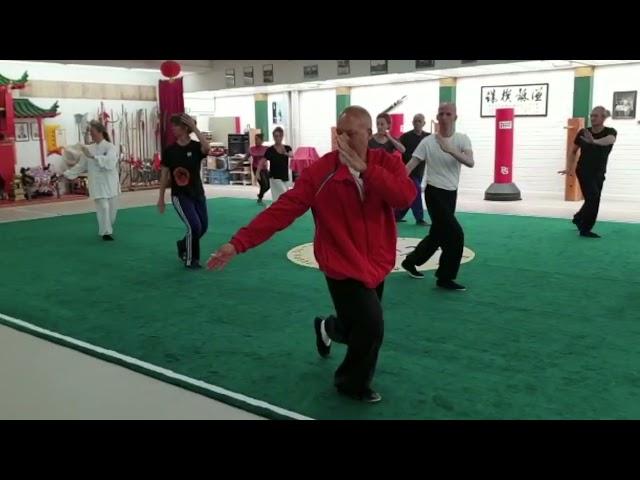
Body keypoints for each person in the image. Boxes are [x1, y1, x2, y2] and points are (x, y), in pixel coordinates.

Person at [207, 106, 415, 403]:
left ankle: (327, 327)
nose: (342, 139)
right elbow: (283, 209)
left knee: (355, 325)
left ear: (369, 134)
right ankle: (350, 383)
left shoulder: (387, 163)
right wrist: (238, 243)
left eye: (351, 133)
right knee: (371, 323)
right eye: (338, 133)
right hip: (340, 264)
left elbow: (404, 196)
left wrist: (367, 171)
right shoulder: (321, 172)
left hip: (377, 263)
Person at [401, 103, 474, 291]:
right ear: (436, 117)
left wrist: (449, 149)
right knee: (455, 234)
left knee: (438, 234)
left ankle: (410, 262)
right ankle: (445, 277)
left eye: (448, 114)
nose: (444, 117)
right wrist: (393, 182)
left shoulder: (462, 139)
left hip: (451, 193)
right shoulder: (427, 142)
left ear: (455, 117)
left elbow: (470, 162)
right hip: (434, 193)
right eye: (441, 114)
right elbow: (410, 165)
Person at [157, 114, 210, 269]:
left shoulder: (195, 147)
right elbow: (164, 175)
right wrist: (161, 198)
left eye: (176, 126)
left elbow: (207, 148)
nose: (173, 129)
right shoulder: (170, 151)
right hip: (180, 195)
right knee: (194, 226)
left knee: (203, 227)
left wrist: (195, 128)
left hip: (197, 193)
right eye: (172, 126)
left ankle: (183, 244)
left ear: (185, 128)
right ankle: (191, 260)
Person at [559, 106, 617, 238]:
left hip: (600, 171)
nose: (592, 118)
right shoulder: (583, 132)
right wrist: (569, 168)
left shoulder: (610, 132)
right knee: (594, 199)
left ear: (603, 118)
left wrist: (594, 141)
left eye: (596, 115)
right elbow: (573, 151)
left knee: (592, 199)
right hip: (584, 170)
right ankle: (585, 229)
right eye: (592, 115)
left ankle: (578, 217)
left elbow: (609, 140)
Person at [63, 120, 120, 241]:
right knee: (104, 207)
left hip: (110, 183)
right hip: (97, 184)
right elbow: (81, 165)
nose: (91, 134)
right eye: (90, 132)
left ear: (100, 132)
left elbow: (110, 162)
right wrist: (67, 174)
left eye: (92, 132)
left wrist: (93, 157)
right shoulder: (88, 149)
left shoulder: (110, 147)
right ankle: (106, 232)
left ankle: (108, 226)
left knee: (112, 213)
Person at [396, 113, 430, 226]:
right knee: (416, 192)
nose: (417, 123)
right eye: (415, 121)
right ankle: (419, 218)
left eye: (419, 121)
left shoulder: (428, 137)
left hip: (420, 171)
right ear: (412, 123)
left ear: (424, 123)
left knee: (409, 195)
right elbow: (396, 147)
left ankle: (396, 215)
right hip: (408, 171)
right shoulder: (405, 136)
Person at [263, 127, 293, 202]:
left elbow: (292, 155)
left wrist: (285, 153)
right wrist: (257, 172)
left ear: (282, 136)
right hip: (274, 177)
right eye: (276, 136)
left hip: (284, 176)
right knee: (282, 194)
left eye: (279, 136)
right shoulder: (270, 150)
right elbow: (263, 160)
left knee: (281, 197)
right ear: (273, 137)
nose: (277, 138)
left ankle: (279, 211)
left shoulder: (287, 147)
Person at [247, 133, 269, 205]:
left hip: (265, 169)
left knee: (268, 185)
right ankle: (260, 199)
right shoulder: (252, 149)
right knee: (264, 185)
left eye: (257, 139)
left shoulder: (266, 148)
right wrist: (237, 164)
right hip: (256, 169)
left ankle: (260, 196)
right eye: (255, 139)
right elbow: (245, 157)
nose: (256, 141)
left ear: (262, 141)